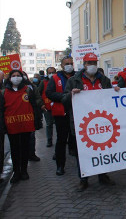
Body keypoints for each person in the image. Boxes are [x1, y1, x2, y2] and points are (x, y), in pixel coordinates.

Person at [63, 53, 118, 191]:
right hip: (82, 123)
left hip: (101, 122)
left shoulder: (104, 80)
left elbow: (110, 98)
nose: (92, 65)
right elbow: (64, 100)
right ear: (84, 63)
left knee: (103, 149)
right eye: (89, 62)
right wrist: (71, 95)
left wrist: (116, 91)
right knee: (83, 152)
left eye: (94, 62)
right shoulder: (74, 80)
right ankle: (84, 178)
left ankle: (103, 175)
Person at [0, 70, 42, 183]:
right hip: (11, 125)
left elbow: (34, 106)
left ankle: (24, 171)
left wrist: (36, 121)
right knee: (14, 149)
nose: (16, 78)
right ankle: (16, 172)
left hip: (26, 124)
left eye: (18, 76)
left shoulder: (28, 90)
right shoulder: (4, 92)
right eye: (13, 76)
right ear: (9, 78)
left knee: (24, 148)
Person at [46, 56, 77, 175]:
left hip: (76, 113)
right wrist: (64, 97)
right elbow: (49, 93)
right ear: (62, 66)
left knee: (75, 139)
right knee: (61, 140)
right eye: (66, 64)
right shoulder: (55, 78)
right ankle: (60, 165)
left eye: (71, 63)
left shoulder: (78, 76)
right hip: (61, 113)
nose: (69, 65)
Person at [22, 72, 44, 162]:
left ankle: (31, 154)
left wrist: (38, 104)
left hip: (31, 114)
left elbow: (38, 97)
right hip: (19, 115)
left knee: (31, 135)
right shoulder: (12, 89)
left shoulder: (32, 87)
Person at [38, 67, 57, 147]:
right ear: (47, 73)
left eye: (53, 72)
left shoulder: (58, 81)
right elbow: (38, 94)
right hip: (47, 107)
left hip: (57, 106)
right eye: (50, 72)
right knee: (49, 124)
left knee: (59, 124)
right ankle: (49, 140)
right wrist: (41, 104)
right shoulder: (43, 82)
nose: (51, 74)